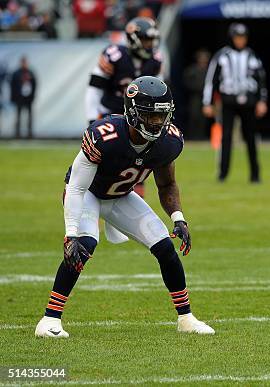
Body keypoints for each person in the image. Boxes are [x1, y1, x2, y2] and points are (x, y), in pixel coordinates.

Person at [35, 76, 215, 338]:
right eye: (149, 116)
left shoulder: (168, 141)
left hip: (120, 197)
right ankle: (49, 320)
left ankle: (186, 318)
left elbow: (167, 185)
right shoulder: (105, 135)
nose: (157, 122)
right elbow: (76, 187)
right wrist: (70, 233)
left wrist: (178, 218)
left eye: (162, 116)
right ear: (132, 113)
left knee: (165, 247)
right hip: (88, 194)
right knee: (84, 244)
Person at [85, 16, 163, 197]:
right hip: (110, 117)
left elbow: (159, 93)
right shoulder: (114, 55)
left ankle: (132, 212)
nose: (149, 44)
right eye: (145, 39)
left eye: (151, 40)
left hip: (138, 121)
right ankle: (91, 210)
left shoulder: (156, 60)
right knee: (102, 166)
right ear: (132, 39)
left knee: (139, 163)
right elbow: (94, 89)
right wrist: (91, 119)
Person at [202, 23, 267, 183]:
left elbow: (261, 80)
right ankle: (223, 173)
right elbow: (211, 80)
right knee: (226, 137)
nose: (240, 41)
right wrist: (207, 102)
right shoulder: (222, 56)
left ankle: (255, 174)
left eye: (242, 37)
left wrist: (262, 101)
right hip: (228, 101)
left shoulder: (252, 56)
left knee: (251, 138)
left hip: (249, 102)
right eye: (237, 37)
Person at [183, 49, 210, 139]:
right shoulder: (192, 70)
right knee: (193, 116)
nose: (203, 61)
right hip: (194, 97)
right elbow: (186, 82)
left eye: (205, 59)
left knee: (203, 118)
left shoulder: (209, 71)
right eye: (201, 58)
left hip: (205, 98)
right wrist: (198, 88)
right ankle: (192, 136)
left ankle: (201, 136)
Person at [10, 56, 36, 139]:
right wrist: (13, 97)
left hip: (28, 98)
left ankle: (29, 134)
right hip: (19, 98)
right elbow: (12, 86)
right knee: (18, 116)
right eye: (23, 62)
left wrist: (32, 96)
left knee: (29, 117)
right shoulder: (16, 73)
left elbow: (35, 84)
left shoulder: (30, 72)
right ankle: (17, 134)